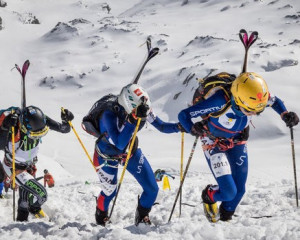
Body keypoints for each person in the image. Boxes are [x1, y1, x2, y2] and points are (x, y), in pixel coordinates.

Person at [178, 72, 299, 222]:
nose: (254, 113)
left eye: (258, 112)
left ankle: (224, 220)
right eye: (250, 111)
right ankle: (209, 195)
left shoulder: (257, 96)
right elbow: (183, 115)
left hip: (237, 140)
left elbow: (274, 101)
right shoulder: (218, 102)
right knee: (229, 192)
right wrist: (192, 128)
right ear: (239, 101)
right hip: (213, 142)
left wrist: (285, 114)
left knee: (240, 190)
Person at [82, 83, 184, 226]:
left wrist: (180, 126)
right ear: (129, 107)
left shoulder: (142, 109)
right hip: (106, 156)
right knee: (110, 191)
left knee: (152, 188)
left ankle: (142, 216)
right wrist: (132, 121)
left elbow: (161, 125)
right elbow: (119, 143)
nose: (143, 115)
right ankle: (101, 216)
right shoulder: (108, 116)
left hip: (130, 152)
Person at [0, 105, 74, 221]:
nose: (37, 137)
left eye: (41, 134)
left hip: (29, 166)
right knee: (42, 194)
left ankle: (21, 223)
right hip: (15, 168)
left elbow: (63, 129)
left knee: (24, 199)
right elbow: (1, 145)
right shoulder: (14, 126)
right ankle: (34, 208)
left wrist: (66, 120)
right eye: (35, 135)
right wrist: (5, 127)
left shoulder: (41, 120)